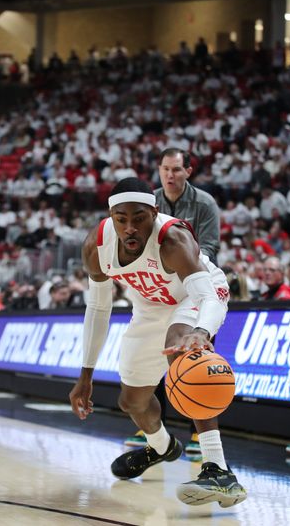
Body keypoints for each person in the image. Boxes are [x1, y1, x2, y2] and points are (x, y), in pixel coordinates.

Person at [69, 178, 246, 508]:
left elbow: (206, 295)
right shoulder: (97, 246)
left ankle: (219, 470)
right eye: (122, 219)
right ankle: (163, 447)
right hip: (150, 306)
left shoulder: (173, 239)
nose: (130, 228)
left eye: (139, 218)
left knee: (182, 348)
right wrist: (85, 375)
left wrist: (202, 333)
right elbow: (97, 308)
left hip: (197, 297)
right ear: (111, 216)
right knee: (132, 401)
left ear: (154, 212)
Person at [125, 147, 221, 454]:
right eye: (165, 169)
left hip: (196, 278)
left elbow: (209, 247)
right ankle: (155, 432)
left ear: (188, 172)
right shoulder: (147, 201)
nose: (170, 175)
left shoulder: (204, 203)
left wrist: (186, 267)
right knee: (157, 357)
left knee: (194, 359)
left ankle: (201, 434)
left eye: (176, 170)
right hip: (161, 283)